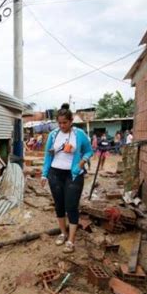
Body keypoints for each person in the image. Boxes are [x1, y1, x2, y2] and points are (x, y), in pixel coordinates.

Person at [41, 103, 93, 253]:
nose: (62, 126)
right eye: (60, 123)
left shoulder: (80, 135)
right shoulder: (53, 135)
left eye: (65, 122)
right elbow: (47, 156)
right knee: (59, 205)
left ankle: (71, 240)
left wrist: (82, 162)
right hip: (55, 174)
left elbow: (89, 151)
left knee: (71, 206)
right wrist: (45, 174)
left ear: (71, 121)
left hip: (74, 174)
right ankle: (63, 233)